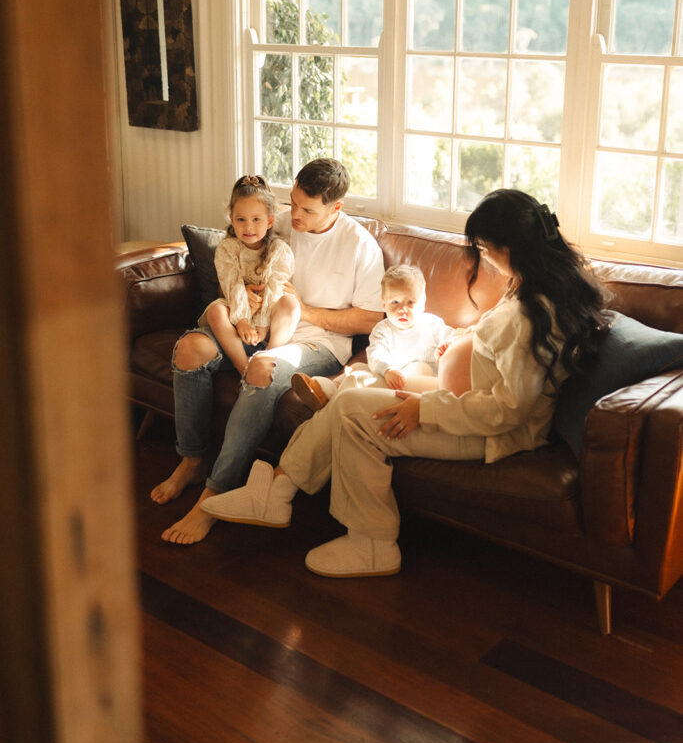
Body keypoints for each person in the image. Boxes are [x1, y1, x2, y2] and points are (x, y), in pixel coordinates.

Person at [200, 188, 609, 577]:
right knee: (354, 396)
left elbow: (508, 409)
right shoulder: (535, 287)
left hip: (493, 430)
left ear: (509, 247)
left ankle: (366, 538)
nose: (484, 258)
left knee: (352, 411)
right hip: (468, 402)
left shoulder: (530, 311)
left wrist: (422, 407)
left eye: (484, 248)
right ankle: (280, 494)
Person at [153, 157, 385, 545]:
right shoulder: (277, 223)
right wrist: (246, 293)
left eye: (307, 210)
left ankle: (215, 491)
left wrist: (307, 310)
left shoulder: (359, 245)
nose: (294, 215)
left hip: (315, 343)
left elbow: (370, 319)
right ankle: (192, 459)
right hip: (255, 326)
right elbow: (239, 247)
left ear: (336, 208)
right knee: (190, 349)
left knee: (261, 368)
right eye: (292, 202)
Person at [290, 263, 464, 410]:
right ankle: (325, 389)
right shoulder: (382, 329)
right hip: (389, 374)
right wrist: (387, 370)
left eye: (410, 302)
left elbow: (455, 339)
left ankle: (345, 393)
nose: (402, 309)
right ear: (384, 304)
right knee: (358, 366)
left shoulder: (432, 324)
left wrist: (448, 345)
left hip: (420, 380)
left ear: (423, 303)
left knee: (418, 367)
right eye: (395, 302)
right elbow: (375, 355)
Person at [199, 174, 298, 377]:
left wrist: (262, 325)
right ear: (231, 219)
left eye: (256, 219)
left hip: (268, 312)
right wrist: (242, 320)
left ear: (270, 221)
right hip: (237, 308)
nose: (248, 227)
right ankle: (244, 368)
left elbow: (275, 288)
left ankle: (269, 356)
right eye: (241, 219)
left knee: (290, 303)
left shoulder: (279, 250)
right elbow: (231, 285)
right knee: (215, 312)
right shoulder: (227, 248)